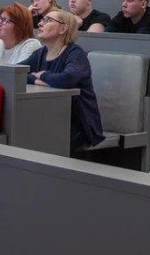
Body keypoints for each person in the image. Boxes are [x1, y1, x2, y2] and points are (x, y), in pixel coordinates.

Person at [22, 10, 105, 151]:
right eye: (42, 20)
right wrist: (36, 80)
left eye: (48, 20)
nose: (40, 23)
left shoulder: (76, 53)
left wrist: (43, 75)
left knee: (32, 137)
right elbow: (16, 72)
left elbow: (68, 78)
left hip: (78, 124)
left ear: (63, 28)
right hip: (50, 118)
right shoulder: (40, 53)